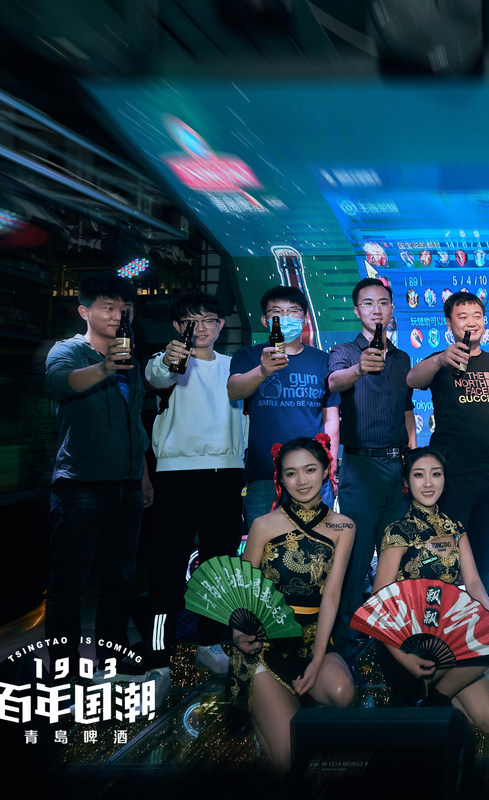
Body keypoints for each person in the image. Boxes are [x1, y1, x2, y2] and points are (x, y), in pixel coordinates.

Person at [228, 436, 355, 774]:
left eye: (310, 470)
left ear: (326, 470)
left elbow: (332, 596)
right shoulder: (263, 525)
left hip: (313, 641)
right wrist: (239, 632)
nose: (301, 481)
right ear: (280, 479)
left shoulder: (343, 526)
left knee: (342, 692)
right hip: (264, 647)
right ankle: (266, 719)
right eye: (291, 473)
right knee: (289, 763)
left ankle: (293, 709)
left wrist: (317, 660)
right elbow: (241, 589)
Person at [44, 273, 152, 669]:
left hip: (127, 485)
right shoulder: (68, 350)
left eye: (125, 308)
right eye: (108, 307)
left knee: (120, 578)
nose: (119, 314)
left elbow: (134, 421)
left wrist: (142, 475)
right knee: (70, 581)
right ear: (84, 311)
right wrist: (106, 367)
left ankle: (112, 658)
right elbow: (62, 384)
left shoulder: (130, 358)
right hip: (80, 486)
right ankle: (64, 667)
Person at [142, 291, 247, 680]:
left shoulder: (236, 367)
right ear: (177, 326)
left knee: (219, 567)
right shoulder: (168, 360)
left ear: (221, 325)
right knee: (166, 569)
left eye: (208, 320)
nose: (199, 328)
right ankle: (158, 656)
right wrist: (172, 358)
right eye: (190, 320)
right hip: (177, 474)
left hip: (227, 473)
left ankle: (210, 643)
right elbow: (159, 377)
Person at [372, 447, 489, 733]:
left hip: (447, 638)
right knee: (487, 648)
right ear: (406, 482)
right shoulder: (397, 532)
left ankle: (433, 701)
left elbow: (473, 583)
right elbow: (378, 602)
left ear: (445, 479)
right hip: (407, 644)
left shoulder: (454, 528)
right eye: (418, 475)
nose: (428, 483)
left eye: (436, 474)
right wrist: (403, 658)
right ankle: (421, 701)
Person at [327, 278, 416, 659]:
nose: (376, 309)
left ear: (392, 309)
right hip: (360, 467)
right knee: (357, 555)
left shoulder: (402, 359)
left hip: (398, 467)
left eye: (383, 303)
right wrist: (360, 369)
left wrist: (412, 458)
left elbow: (407, 411)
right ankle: (345, 644)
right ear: (356, 310)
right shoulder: (345, 352)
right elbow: (334, 382)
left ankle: (389, 638)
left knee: (397, 555)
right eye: (368, 303)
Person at [407, 291, 489, 593]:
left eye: (477, 316)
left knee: (488, 552)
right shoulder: (439, 362)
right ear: (449, 323)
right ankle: (445, 612)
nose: (471, 322)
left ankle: (480, 611)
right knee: (446, 552)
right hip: (451, 473)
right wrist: (441, 359)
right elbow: (412, 380)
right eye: (463, 316)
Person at [228, 286, 339, 530]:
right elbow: (234, 391)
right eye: (277, 312)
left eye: (293, 312)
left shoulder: (323, 360)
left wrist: (330, 468)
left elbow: (330, 418)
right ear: (265, 320)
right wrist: (263, 371)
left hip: (312, 474)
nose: (285, 319)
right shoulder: (248, 356)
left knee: (317, 543)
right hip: (265, 473)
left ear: (305, 318)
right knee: (264, 545)